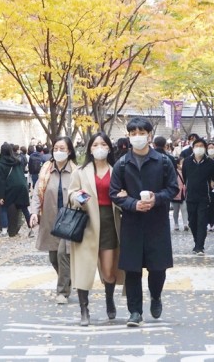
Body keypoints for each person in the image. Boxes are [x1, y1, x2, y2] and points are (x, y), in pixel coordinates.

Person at [110, 117, 179, 328]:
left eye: (141, 133)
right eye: (133, 133)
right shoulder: (122, 164)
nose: (137, 137)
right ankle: (135, 312)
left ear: (149, 135)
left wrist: (156, 199)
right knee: (132, 270)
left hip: (156, 222)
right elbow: (114, 192)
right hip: (132, 222)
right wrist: (132, 203)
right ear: (129, 136)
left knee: (158, 268)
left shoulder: (164, 161)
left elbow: (173, 188)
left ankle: (156, 296)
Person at [68, 132, 123, 325]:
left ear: (109, 147)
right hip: (86, 221)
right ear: (89, 148)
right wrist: (77, 197)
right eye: (95, 144)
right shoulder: (81, 172)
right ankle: (84, 309)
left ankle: (109, 299)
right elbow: (71, 193)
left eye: (103, 144)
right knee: (84, 269)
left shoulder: (117, 169)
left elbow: (124, 193)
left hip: (110, 221)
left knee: (109, 270)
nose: (99, 148)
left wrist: (124, 197)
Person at [32, 137, 77, 304]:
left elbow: (83, 192)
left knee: (63, 254)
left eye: (62, 148)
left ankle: (62, 292)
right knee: (53, 257)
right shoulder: (46, 170)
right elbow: (37, 193)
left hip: (69, 219)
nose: (58, 151)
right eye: (56, 148)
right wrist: (34, 212)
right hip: (50, 218)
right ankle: (68, 279)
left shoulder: (75, 171)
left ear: (69, 151)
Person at [182, 137, 214, 254]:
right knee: (192, 221)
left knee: (202, 221)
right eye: (196, 146)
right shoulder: (187, 161)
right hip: (190, 196)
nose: (199, 148)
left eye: (201, 146)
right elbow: (184, 176)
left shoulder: (210, 163)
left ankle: (199, 246)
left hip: (204, 196)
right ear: (192, 148)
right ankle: (196, 241)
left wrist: (213, 182)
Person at [0, 143, 33, 238]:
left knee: (3, 208)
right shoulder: (17, 161)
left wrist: (1, 196)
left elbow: (1, 181)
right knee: (24, 208)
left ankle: (4, 231)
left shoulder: (0, 164)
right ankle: (31, 230)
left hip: (10, 187)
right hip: (22, 186)